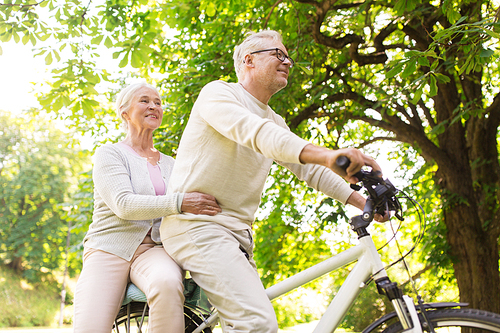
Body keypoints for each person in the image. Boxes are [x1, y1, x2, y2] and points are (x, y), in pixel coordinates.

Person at [160, 30, 386, 333]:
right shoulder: (218, 93)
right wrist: (328, 155)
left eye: (288, 56)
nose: (287, 62)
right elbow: (254, 132)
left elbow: (309, 170)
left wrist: (364, 202)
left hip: (236, 236)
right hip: (197, 227)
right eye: (278, 54)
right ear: (248, 60)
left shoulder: (275, 120)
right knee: (258, 323)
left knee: (249, 322)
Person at [73, 82, 221, 333]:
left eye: (158, 102)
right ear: (124, 112)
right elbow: (124, 204)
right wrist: (180, 202)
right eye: (144, 100)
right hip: (108, 249)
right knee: (90, 327)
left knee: (167, 283)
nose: (153, 105)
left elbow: (195, 206)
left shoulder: (173, 164)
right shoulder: (109, 154)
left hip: (155, 250)